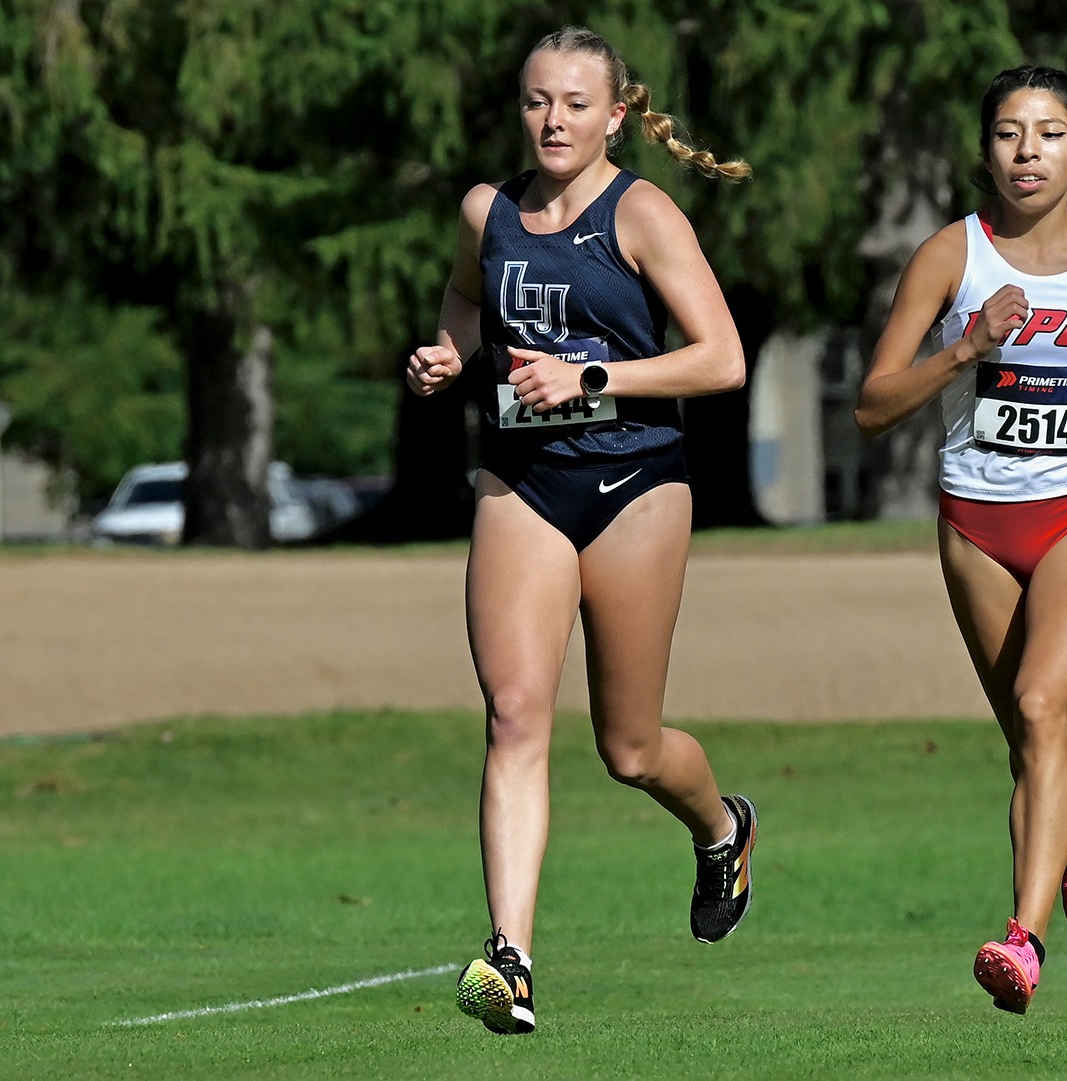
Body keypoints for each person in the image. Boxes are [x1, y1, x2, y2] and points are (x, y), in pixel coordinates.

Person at [404, 26, 757, 1036]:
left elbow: (722, 358)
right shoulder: (486, 211)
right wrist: (448, 352)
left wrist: (590, 375)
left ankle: (722, 827)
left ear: (616, 115)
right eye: (536, 101)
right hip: (522, 481)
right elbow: (465, 297)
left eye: (574, 103)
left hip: (637, 485)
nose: (552, 121)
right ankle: (510, 959)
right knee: (515, 715)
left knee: (630, 747)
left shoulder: (640, 213)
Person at [854, 65, 1067, 1014]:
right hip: (976, 520)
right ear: (986, 151)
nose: (1028, 151)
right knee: (1030, 738)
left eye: (1051, 134)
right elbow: (872, 406)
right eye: (1010, 133)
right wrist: (966, 349)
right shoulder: (950, 257)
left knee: (1043, 700)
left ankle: (1024, 941)